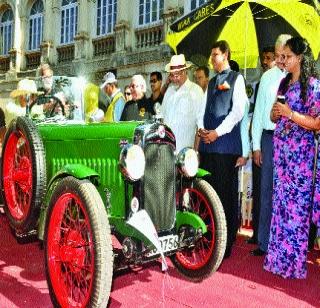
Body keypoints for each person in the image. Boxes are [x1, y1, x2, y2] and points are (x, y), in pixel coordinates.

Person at [265, 37, 320, 279]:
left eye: (286, 56)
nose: (282, 60)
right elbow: (274, 117)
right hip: (282, 155)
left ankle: (294, 264)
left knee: (296, 210)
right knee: (281, 207)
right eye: (282, 56)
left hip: (301, 159)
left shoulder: (314, 86)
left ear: (299, 58)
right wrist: (277, 114)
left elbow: (317, 123)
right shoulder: (283, 84)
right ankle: (277, 260)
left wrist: (291, 114)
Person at [198, 40, 247, 258]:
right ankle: (210, 237)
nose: (212, 58)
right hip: (208, 148)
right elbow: (201, 110)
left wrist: (217, 132)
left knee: (225, 196)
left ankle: (225, 242)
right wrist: (201, 129)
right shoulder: (210, 83)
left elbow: (237, 112)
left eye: (215, 54)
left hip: (225, 148)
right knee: (208, 195)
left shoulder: (237, 79)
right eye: (211, 55)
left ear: (226, 54)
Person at [250, 34, 291, 256]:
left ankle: (283, 243)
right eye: (277, 56)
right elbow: (257, 114)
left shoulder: (296, 79)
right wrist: (256, 145)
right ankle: (264, 243)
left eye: (284, 56)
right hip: (268, 138)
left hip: (291, 140)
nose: (280, 60)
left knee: (285, 193)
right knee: (265, 192)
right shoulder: (267, 78)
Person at [247, 45, 276, 245]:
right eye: (263, 58)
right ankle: (258, 234)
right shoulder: (258, 84)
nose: (265, 62)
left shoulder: (282, 81)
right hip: (260, 142)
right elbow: (255, 115)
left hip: (274, 139)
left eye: (268, 58)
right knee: (259, 190)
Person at [161, 54, 204, 152]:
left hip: (185, 153)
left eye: (177, 75)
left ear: (185, 72)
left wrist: (196, 152)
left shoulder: (196, 91)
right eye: (171, 75)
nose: (174, 79)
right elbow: (162, 119)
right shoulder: (169, 91)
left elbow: (200, 125)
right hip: (166, 151)